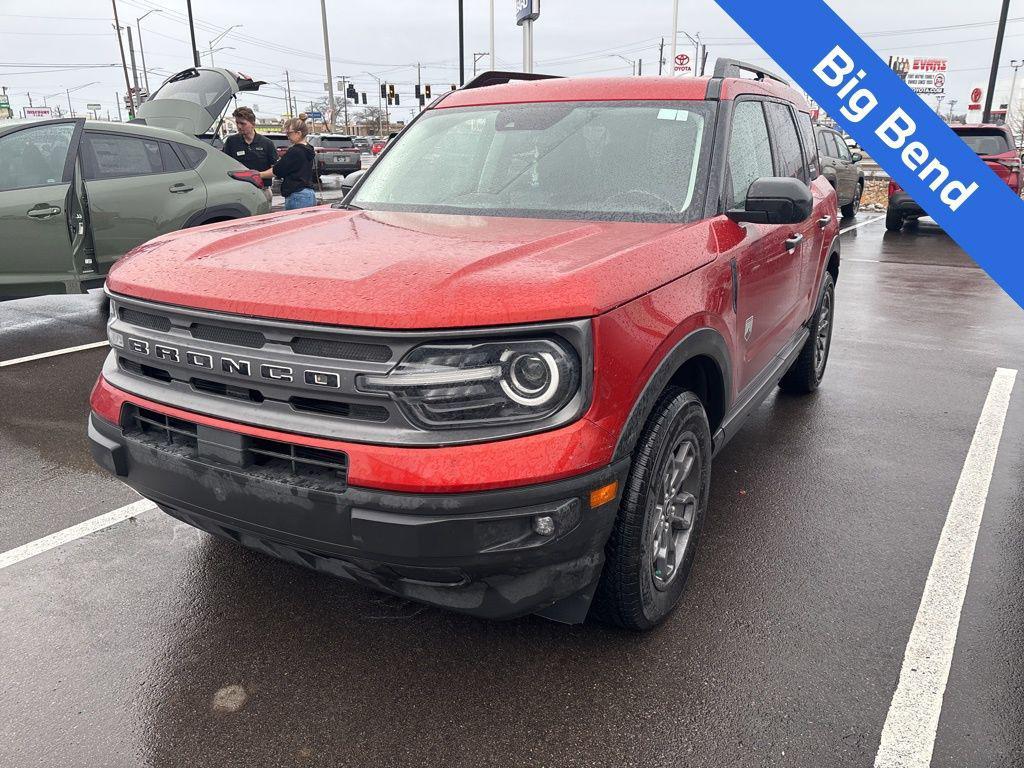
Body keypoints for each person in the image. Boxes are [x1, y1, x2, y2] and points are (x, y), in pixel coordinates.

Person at [223, 107, 277, 204]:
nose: (239, 126)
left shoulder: (267, 143)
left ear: (253, 124)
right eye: (237, 123)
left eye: (243, 123)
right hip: (239, 192)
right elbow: (224, 166)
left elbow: (275, 170)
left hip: (262, 191)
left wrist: (255, 175)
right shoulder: (231, 141)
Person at [261, 117, 316, 210]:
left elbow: (277, 170)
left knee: (296, 224)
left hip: (297, 195)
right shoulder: (309, 149)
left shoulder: (295, 151)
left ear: (299, 133)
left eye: (289, 133)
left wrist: (259, 174)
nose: (287, 136)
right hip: (309, 194)